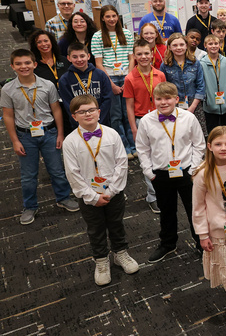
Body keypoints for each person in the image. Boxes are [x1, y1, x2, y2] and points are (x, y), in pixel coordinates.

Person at [62, 94, 137, 285]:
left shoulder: (112, 134)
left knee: (116, 224)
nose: (88, 114)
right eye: (82, 112)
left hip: (114, 192)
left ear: (99, 112)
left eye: (91, 110)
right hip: (88, 197)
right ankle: (101, 260)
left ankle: (120, 254)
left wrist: (111, 191)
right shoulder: (70, 142)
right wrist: (92, 196)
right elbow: (73, 174)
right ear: (74, 116)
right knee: (95, 229)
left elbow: (122, 164)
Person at [1, 49, 78, 224]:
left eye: (27, 63)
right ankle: (30, 206)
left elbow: (56, 110)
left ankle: (63, 198)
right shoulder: (8, 89)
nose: (23, 66)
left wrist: (60, 133)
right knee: (28, 175)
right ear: (12, 66)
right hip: (25, 136)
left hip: (49, 133)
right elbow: (8, 116)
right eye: (18, 64)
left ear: (35, 64)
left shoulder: (48, 85)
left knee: (57, 170)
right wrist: (14, 140)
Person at [136, 82, 204, 262]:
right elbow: (142, 148)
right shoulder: (146, 121)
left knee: (194, 210)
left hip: (187, 172)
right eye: (159, 99)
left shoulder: (188, 118)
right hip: (161, 173)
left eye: (167, 98)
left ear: (176, 99)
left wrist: (194, 169)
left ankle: (200, 243)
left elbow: (199, 144)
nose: (163, 102)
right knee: (166, 211)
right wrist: (149, 172)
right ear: (154, 100)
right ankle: (168, 243)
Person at [91, 5, 136, 159]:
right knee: (115, 116)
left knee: (128, 113)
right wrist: (111, 85)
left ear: (118, 17)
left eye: (114, 16)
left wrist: (129, 79)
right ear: (103, 18)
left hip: (126, 76)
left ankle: (134, 144)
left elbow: (132, 58)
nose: (111, 19)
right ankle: (124, 146)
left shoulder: (127, 34)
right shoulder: (97, 36)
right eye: (108, 16)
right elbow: (98, 63)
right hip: (108, 78)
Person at [58, 42, 112, 127]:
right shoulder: (64, 80)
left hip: (102, 123)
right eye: (75, 57)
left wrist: (98, 120)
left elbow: (107, 99)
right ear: (68, 58)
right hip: (79, 125)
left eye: (82, 56)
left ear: (88, 56)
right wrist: (81, 122)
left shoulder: (101, 75)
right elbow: (68, 105)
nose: (79, 60)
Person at [200, 34, 226, 131]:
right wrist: (206, 98)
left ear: (220, 44)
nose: (213, 46)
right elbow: (200, 83)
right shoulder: (201, 64)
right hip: (210, 106)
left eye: (216, 43)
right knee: (213, 131)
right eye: (210, 44)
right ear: (205, 45)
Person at [160, 33, 205, 113]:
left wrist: (192, 107)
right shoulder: (165, 65)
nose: (179, 48)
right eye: (175, 45)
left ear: (186, 46)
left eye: (181, 45)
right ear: (169, 47)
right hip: (173, 104)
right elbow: (164, 88)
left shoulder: (195, 63)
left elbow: (201, 86)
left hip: (194, 104)